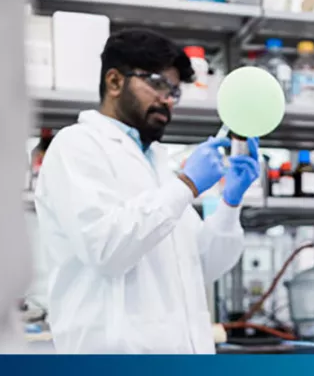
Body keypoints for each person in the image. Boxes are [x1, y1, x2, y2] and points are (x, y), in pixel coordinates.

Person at [34, 28, 260, 354]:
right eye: (157, 83)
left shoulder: (157, 162)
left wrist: (230, 203)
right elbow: (107, 249)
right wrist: (186, 185)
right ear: (114, 82)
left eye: (175, 91)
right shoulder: (76, 146)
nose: (167, 99)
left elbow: (203, 266)